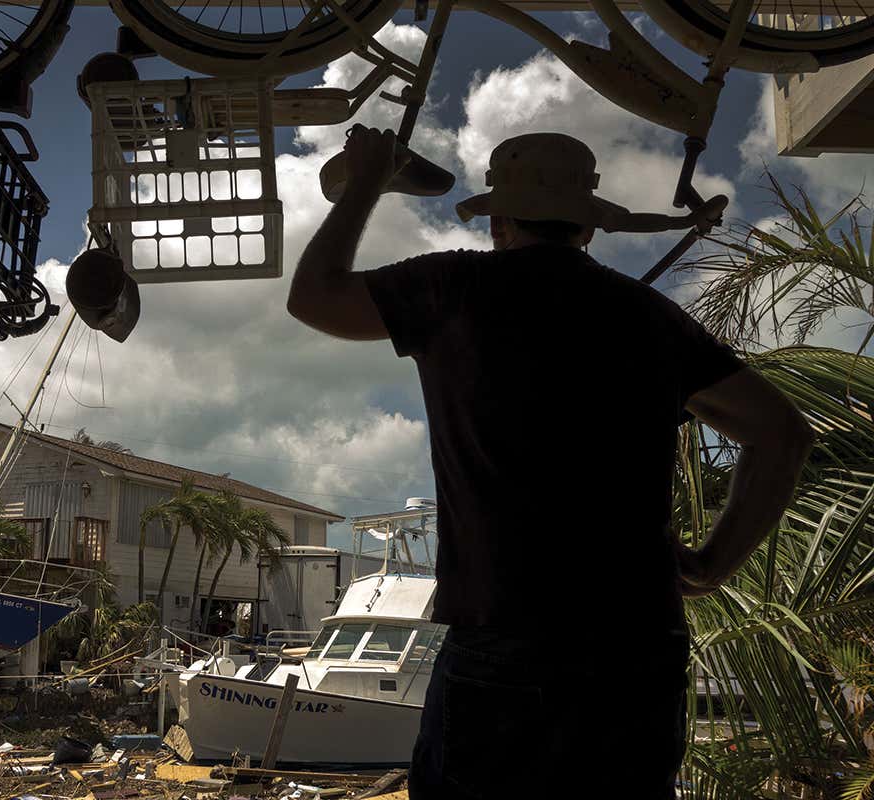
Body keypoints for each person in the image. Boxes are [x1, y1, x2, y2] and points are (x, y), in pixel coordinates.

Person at [286, 126, 814, 799]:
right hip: (637, 651)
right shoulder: (651, 318)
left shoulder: (455, 288)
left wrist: (366, 179)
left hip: (505, 640)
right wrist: (713, 565)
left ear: (500, 220)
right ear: (588, 228)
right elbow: (783, 436)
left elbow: (314, 297)